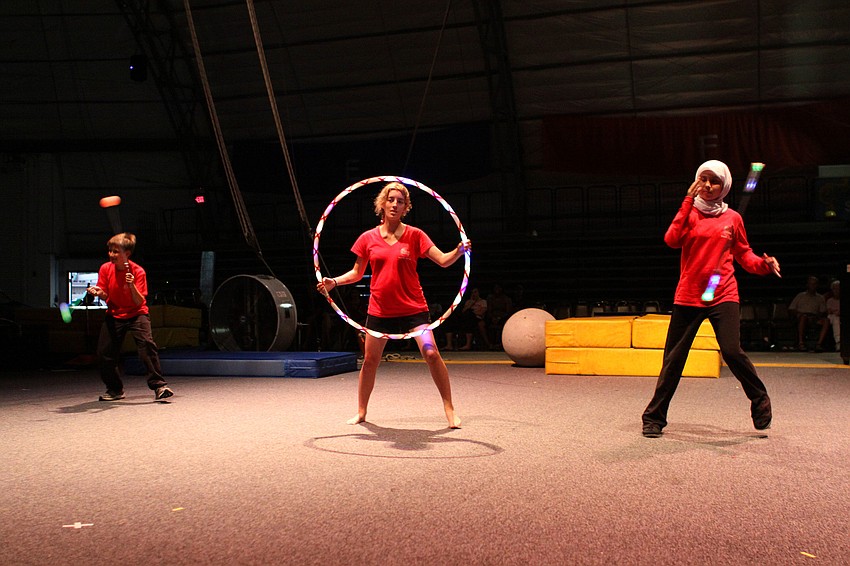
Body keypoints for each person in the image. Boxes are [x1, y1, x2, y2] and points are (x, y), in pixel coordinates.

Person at [641, 160, 780, 438]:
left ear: (724, 186)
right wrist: (686, 202)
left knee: (731, 350)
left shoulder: (733, 219)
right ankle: (654, 417)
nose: (707, 185)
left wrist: (763, 264)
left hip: (722, 292)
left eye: (713, 181)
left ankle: (759, 399)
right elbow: (671, 239)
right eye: (702, 179)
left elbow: (744, 255)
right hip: (689, 295)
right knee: (673, 360)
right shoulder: (689, 212)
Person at [317, 181, 469, 428]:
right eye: (391, 200)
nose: (395, 204)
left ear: (406, 206)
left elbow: (442, 260)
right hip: (380, 310)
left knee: (431, 353)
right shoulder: (368, 238)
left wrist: (458, 251)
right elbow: (357, 273)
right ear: (382, 203)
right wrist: (333, 282)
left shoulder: (415, 235)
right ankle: (362, 411)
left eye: (400, 201)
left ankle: (449, 409)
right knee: (369, 361)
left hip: (414, 309)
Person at [87, 232, 173, 402]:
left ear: (127, 254)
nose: (111, 255)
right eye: (110, 251)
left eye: (115, 251)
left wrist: (131, 285)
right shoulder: (105, 268)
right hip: (114, 314)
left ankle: (159, 386)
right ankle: (115, 389)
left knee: (147, 347)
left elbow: (139, 300)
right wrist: (99, 293)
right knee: (104, 354)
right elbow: (105, 295)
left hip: (137, 314)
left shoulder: (138, 271)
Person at [788, 275, 829, 352]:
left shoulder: (820, 298)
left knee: (826, 320)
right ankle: (801, 343)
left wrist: (816, 316)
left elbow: (822, 311)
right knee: (803, 317)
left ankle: (819, 344)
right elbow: (791, 308)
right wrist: (799, 314)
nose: (812, 286)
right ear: (807, 285)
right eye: (811, 284)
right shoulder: (800, 296)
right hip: (801, 316)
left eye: (814, 284)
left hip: (814, 317)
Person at [825, 280, 840, 351]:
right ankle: (838, 342)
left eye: (838, 288)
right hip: (832, 318)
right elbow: (829, 311)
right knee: (835, 318)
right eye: (835, 289)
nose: (837, 291)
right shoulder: (829, 300)